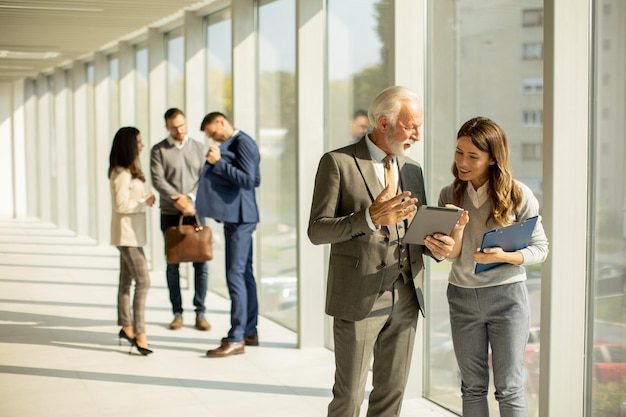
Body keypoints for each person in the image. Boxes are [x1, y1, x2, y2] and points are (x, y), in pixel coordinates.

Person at [308, 86, 461, 417]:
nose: (418, 135)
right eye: (412, 126)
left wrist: (440, 247)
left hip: (407, 296)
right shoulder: (338, 162)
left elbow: (414, 233)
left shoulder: (413, 169)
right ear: (383, 122)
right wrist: (368, 218)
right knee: (349, 397)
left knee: (392, 393)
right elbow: (317, 230)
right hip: (359, 297)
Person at [438, 117, 549, 417]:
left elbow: (541, 249)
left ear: (492, 159)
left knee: (509, 387)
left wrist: (504, 256)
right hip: (462, 296)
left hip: (507, 298)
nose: (463, 162)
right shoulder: (449, 195)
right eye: (459, 152)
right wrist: (457, 230)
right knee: (472, 386)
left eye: (473, 156)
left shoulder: (518, 194)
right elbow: (452, 254)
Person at [196, 112, 261, 358]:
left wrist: (218, 163)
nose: (213, 138)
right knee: (244, 274)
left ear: (221, 122)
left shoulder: (242, 142)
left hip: (241, 217)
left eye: (212, 133)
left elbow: (248, 181)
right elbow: (254, 177)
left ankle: (236, 338)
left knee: (235, 274)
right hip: (238, 216)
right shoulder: (239, 144)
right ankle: (248, 331)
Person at [150, 108, 211, 331]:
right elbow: (158, 179)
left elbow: (203, 176)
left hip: (195, 211)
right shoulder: (159, 150)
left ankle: (200, 313)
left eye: (182, 125)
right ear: (167, 127)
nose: (179, 129)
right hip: (170, 213)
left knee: (201, 262)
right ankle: (177, 313)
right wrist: (178, 200)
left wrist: (190, 199)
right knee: (173, 263)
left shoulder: (197, 147)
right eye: (174, 126)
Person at [108, 126, 156, 356]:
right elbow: (120, 205)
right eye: (138, 141)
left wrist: (142, 199)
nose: (142, 145)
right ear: (128, 145)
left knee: (126, 281)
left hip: (131, 235)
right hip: (126, 236)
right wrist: (142, 202)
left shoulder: (129, 170)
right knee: (143, 281)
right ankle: (140, 333)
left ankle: (126, 327)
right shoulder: (121, 173)